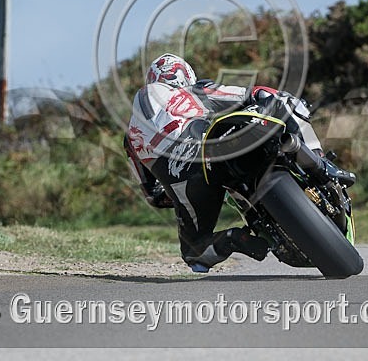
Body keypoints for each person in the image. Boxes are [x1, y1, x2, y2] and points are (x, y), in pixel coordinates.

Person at [124, 53, 325, 272]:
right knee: (278, 99)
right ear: (185, 76)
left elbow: (152, 194)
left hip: (184, 180)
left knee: (194, 252)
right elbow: (249, 94)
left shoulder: (131, 137)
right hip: (210, 145)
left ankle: (233, 238)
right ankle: (319, 162)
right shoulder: (192, 90)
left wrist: (181, 194)